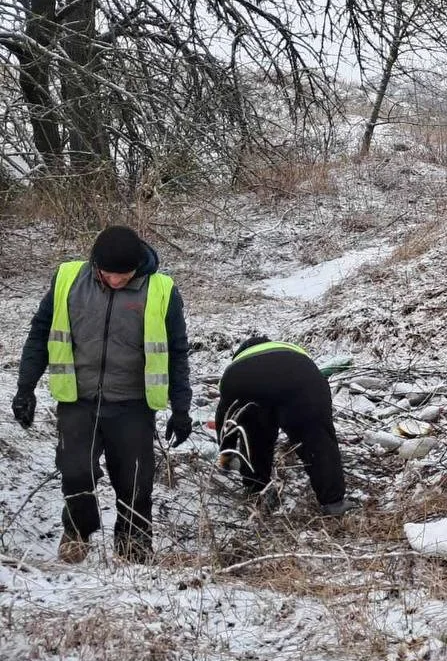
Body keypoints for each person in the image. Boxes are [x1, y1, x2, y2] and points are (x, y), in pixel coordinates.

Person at [12, 225, 191, 563]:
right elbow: (40, 333)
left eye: (125, 275)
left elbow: (177, 351)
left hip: (133, 405)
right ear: (95, 264)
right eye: (109, 274)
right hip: (78, 399)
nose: (116, 281)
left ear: (138, 267)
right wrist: (25, 387)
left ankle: (134, 546)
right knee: (75, 471)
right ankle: (78, 531)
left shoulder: (162, 290)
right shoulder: (68, 280)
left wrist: (181, 408)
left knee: (135, 483)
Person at [214, 337, 353, 516]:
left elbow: (226, 417)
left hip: (246, 383)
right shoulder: (290, 349)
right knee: (317, 438)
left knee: (254, 437)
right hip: (301, 379)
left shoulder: (234, 368)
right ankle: (333, 502)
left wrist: (226, 454)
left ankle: (256, 491)